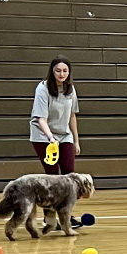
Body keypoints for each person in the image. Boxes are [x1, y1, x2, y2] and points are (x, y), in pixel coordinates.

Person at [30, 56, 81, 229]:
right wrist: (50, 137)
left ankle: (67, 216)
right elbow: (41, 118)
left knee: (69, 176)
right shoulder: (43, 88)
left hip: (64, 134)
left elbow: (72, 116)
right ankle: (50, 218)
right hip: (43, 136)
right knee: (52, 178)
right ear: (52, 71)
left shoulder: (70, 89)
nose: (61, 74)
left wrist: (76, 140)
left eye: (65, 71)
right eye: (58, 70)